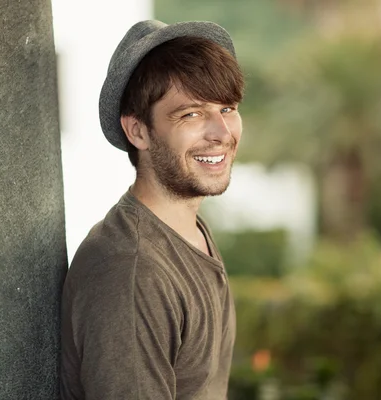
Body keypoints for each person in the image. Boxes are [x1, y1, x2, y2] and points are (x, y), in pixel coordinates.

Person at [60, 20, 244, 400]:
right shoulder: (131, 270)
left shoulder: (188, 232)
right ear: (138, 131)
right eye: (191, 114)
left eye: (227, 108)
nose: (222, 133)